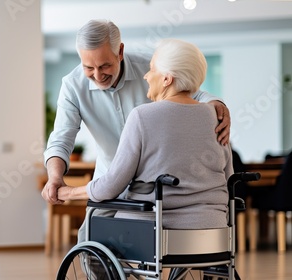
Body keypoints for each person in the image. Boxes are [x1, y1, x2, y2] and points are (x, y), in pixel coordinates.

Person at [55, 38, 234, 280]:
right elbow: (228, 177)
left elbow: (111, 185)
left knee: (94, 231)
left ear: (167, 79)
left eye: (152, 70)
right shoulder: (215, 116)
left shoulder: (142, 116)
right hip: (214, 233)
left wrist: (68, 192)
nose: (146, 76)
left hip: (153, 231)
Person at [41, 19, 231, 207]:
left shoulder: (152, 68)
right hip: (108, 182)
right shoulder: (72, 86)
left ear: (120, 52)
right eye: (88, 68)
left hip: (152, 184)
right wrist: (55, 177)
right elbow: (61, 139)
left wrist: (215, 104)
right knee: (89, 234)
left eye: (105, 65)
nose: (98, 76)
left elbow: (189, 90)